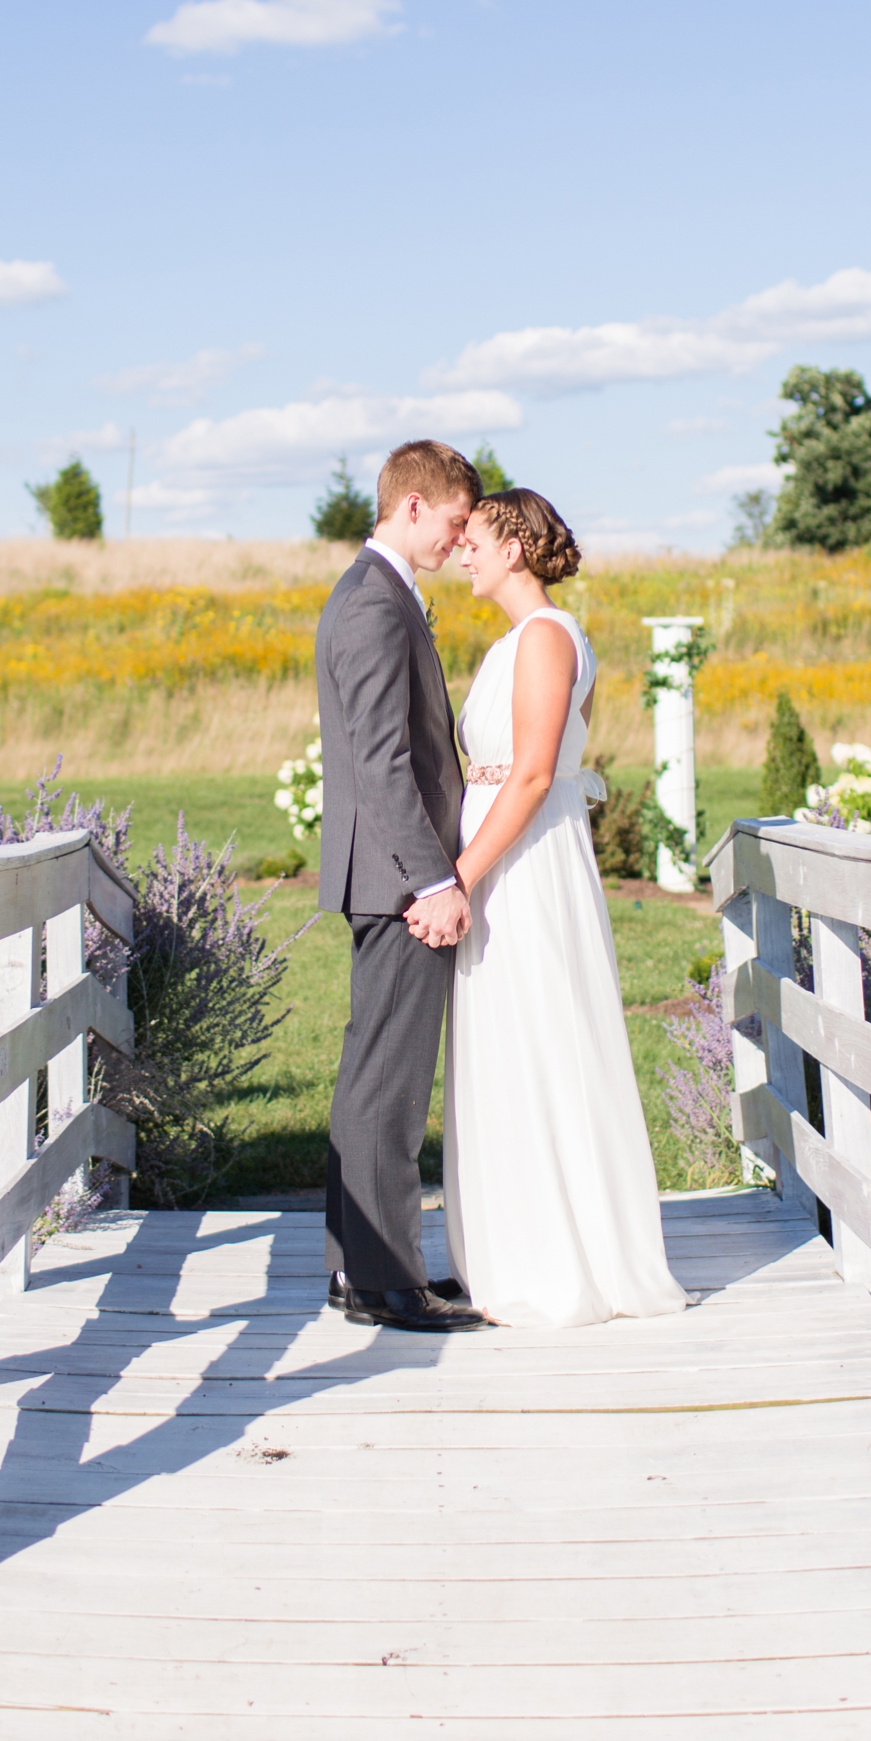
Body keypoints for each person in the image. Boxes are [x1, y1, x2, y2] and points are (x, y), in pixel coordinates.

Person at [443, 487, 687, 1329]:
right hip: (516, 850)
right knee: (513, 1042)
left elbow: (538, 773)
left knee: (539, 1036)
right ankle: (521, 1247)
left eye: (474, 538)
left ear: (513, 547)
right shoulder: (519, 642)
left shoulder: (545, 637)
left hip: (522, 867)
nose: (462, 552)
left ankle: (556, 1263)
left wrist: (464, 875)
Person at [314, 438, 487, 1334]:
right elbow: (385, 766)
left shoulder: (374, 595)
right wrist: (434, 880)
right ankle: (387, 1284)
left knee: (370, 1073)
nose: (462, 541)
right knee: (390, 1083)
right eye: (457, 521)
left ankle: (358, 1272)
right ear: (412, 505)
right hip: (399, 884)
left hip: (383, 877)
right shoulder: (377, 605)